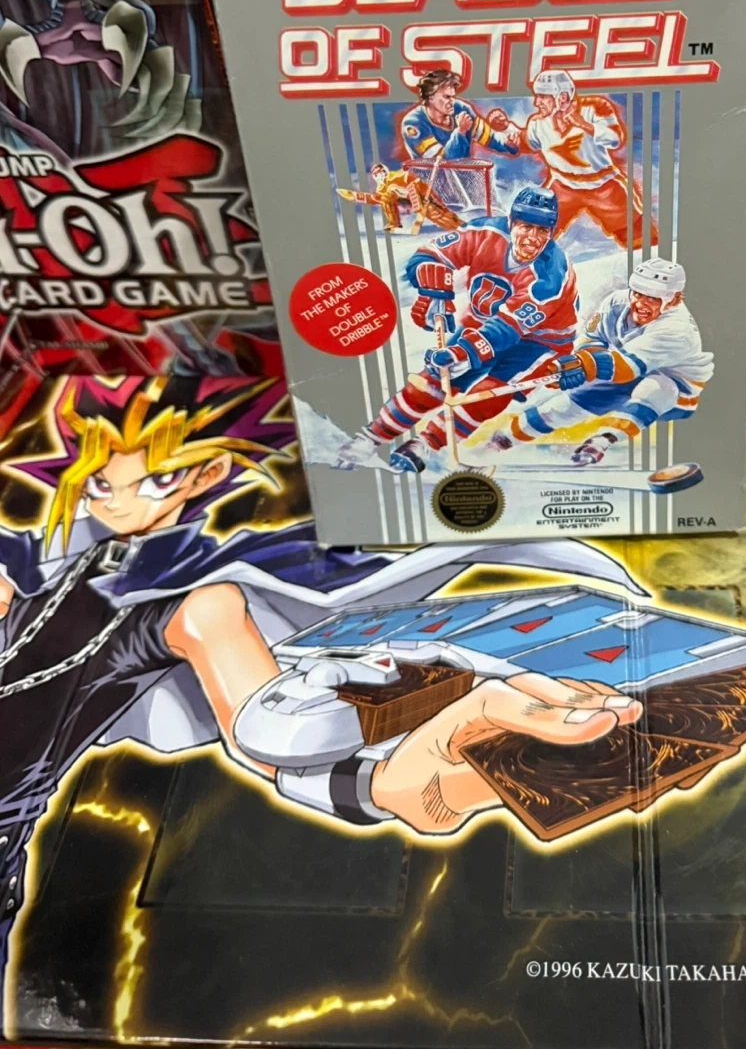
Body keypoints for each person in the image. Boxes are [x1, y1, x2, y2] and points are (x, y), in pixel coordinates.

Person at [0, 375, 643, 996]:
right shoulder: (29, 568)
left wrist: (380, 781)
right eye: (100, 484)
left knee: (233, 643)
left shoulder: (179, 598)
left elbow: (264, 720)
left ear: (204, 476)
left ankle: (424, 751)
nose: (116, 501)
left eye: (155, 480)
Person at [339, 187, 578, 471]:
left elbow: (507, 328)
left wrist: (462, 352)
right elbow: (429, 254)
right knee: (433, 381)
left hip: (541, 343)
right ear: (512, 222)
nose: (533, 238)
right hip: (483, 324)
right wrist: (430, 277)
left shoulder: (550, 275)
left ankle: (426, 444)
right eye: (526, 227)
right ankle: (371, 437)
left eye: (542, 230)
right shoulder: (484, 232)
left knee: (488, 395)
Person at [491, 257, 713, 464]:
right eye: (638, 294)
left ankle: (602, 440)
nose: (640, 304)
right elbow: (592, 340)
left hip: (679, 388)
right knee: (564, 407)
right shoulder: (617, 302)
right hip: (628, 369)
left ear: (673, 299)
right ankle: (497, 443)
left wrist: (584, 367)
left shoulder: (676, 329)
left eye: (653, 299)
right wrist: (576, 365)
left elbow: (625, 367)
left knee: (656, 387)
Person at [519, 69, 646, 249]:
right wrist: (506, 128)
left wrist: (584, 125)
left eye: (543, 97)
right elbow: (523, 142)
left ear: (562, 97)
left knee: (636, 232)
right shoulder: (537, 123)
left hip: (603, 185)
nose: (536, 102)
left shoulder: (594, 107)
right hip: (562, 186)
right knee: (535, 229)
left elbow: (615, 139)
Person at [399, 68, 520, 162]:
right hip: (430, 184)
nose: (451, 102)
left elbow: (488, 137)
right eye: (447, 97)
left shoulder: (461, 109)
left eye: (453, 97)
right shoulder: (413, 124)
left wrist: (507, 143)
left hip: (464, 179)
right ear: (430, 97)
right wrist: (460, 132)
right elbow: (441, 163)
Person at [337, 162, 461, 232]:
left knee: (440, 216)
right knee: (388, 196)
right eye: (376, 174)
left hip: (421, 195)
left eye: (380, 172)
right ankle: (394, 223)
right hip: (408, 203)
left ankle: (459, 227)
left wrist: (415, 195)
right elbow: (376, 199)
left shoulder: (399, 176)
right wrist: (355, 197)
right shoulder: (381, 188)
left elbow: (416, 182)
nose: (379, 175)